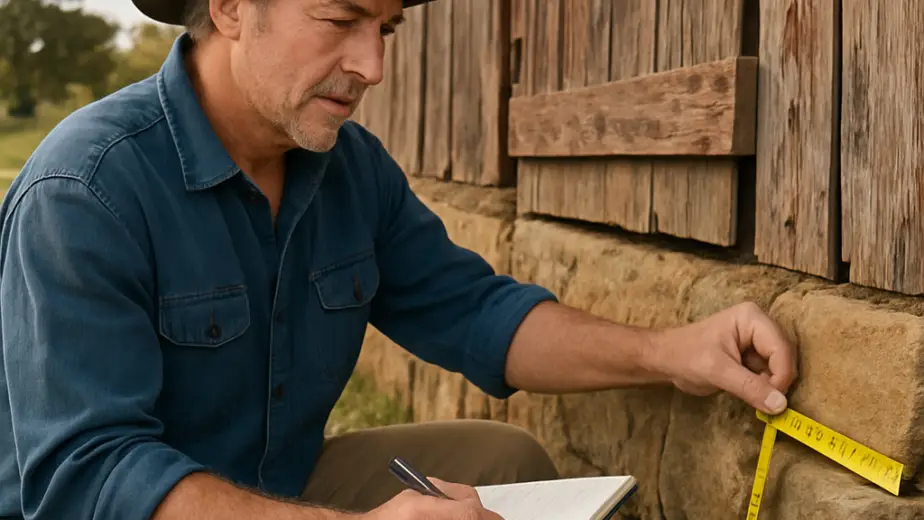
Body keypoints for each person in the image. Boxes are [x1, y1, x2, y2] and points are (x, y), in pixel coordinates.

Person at [0, 0, 797, 518]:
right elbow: (89, 479)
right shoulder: (87, 189)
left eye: (385, 28)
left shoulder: (352, 170)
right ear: (233, 8)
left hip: (273, 491)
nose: (373, 66)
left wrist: (670, 352)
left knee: (506, 463)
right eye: (340, 19)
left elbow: (476, 312)